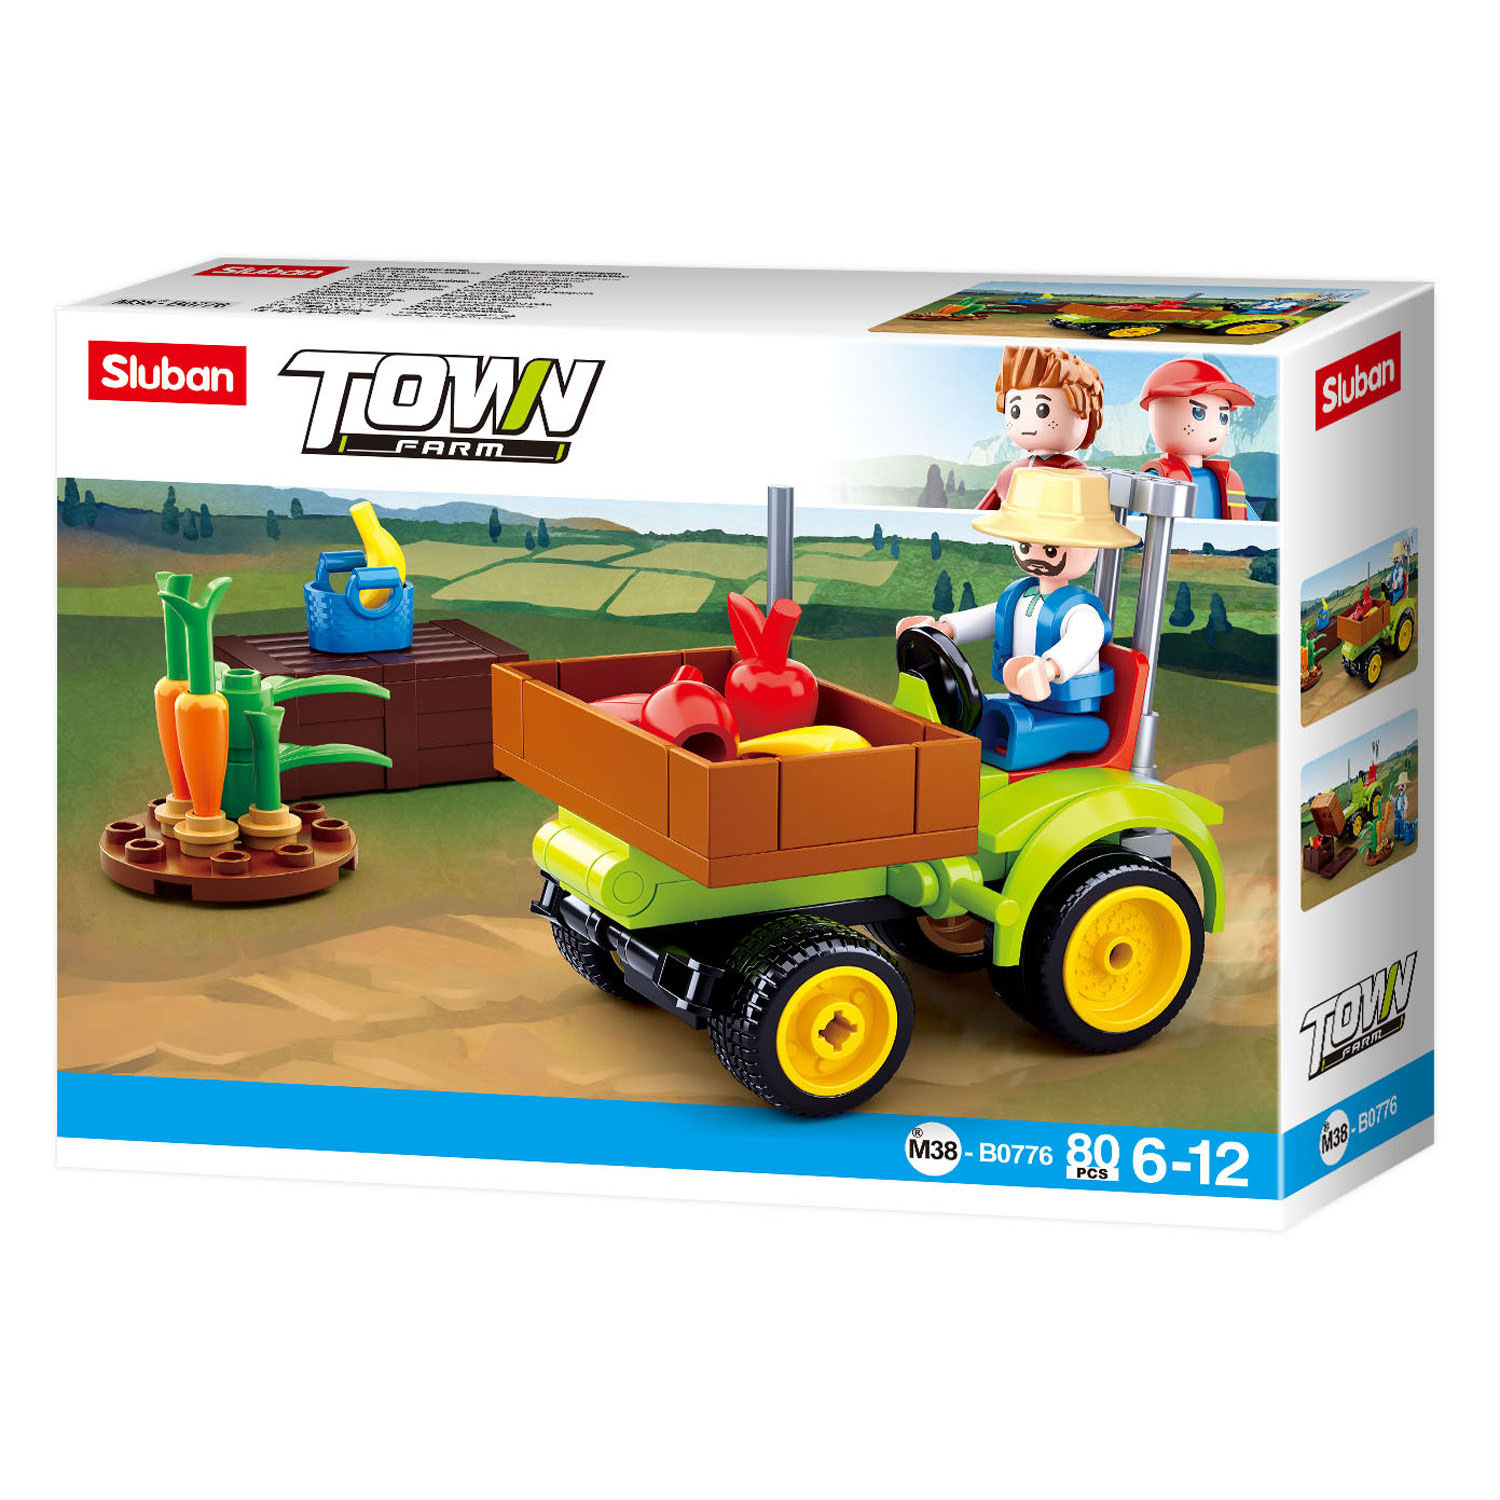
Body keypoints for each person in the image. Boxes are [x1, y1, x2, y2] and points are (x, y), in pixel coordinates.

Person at [898, 467, 1139, 771]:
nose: (1035, 556)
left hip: (1070, 714)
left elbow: (1082, 642)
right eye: (1025, 546)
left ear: (1091, 548)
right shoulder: (1021, 596)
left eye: (1050, 549)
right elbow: (991, 616)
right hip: (1023, 702)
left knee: (1007, 736)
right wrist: (946, 628)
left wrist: (1049, 668)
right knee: (964, 715)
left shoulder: (1081, 613)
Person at [975, 346, 1105, 511]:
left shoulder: (1072, 472)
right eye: (1015, 410)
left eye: (1042, 409)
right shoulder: (1009, 473)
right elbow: (980, 513)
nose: (1028, 421)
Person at [1138, 358, 1257, 520]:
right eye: (1199, 413)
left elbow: (1253, 526)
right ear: (1158, 416)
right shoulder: (1157, 480)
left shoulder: (1227, 480)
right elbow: (1130, 525)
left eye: (1223, 417)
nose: (1213, 426)